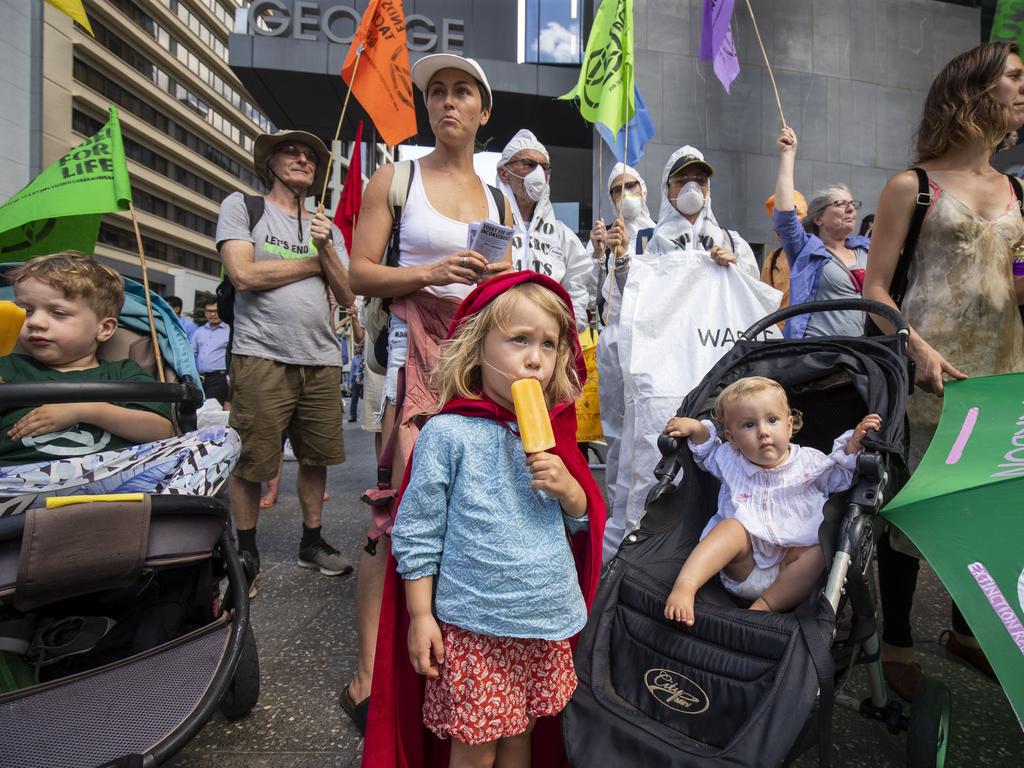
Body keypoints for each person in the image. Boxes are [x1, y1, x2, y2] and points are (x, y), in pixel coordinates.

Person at [366, 271, 605, 768]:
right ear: (477, 348)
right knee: (474, 748)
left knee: (522, 734)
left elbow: (583, 526)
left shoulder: (556, 438)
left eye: (548, 343)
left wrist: (571, 493)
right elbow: (418, 533)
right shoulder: (449, 433)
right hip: (474, 627)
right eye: (519, 340)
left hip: (542, 622)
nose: (535, 357)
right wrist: (421, 616)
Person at [344, 53, 511, 731]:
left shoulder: (498, 198)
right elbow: (357, 274)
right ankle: (364, 673)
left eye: (461, 92)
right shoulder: (397, 177)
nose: (448, 103)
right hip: (412, 364)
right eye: (437, 92)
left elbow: (501, 291)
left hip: (474, 368)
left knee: (464, 513)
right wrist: (427, 273)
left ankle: (440, 659)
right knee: (395, 517)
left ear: (482, 111)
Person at [863, 41, 1024, 701]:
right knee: (907, 519)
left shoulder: (1017, 189)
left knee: (987, 514)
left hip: (1003, 380)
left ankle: (965, 630)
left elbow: (1017, 282)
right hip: (930, 379)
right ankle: (896, 638)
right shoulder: (913, 185)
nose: (1023, 88)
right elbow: (873, 287)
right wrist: (915, 347)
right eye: (1014, 77)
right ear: (973, 90)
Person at [602, 146, 768, 563]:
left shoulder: (732, 241)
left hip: (716, 370)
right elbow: (625, 305)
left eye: (700, 180)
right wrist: (622, 263)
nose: (692, 188)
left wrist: (735, 269)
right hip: (664, 373)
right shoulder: (644, 239)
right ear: (667, 189)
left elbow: (754, 304)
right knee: (652, 463)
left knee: (722, 460)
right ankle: (640, 560)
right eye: (682, 180)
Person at [216, 128, 356, 595]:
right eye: (291, 152)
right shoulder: (244, 206)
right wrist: (313, 263)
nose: (302, 159)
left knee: (317, 457)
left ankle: (311, 541)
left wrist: (328, 250)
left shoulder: (327, 228)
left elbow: (347, 293)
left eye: (311, 156)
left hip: (319, 358)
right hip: (260, 354)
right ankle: (247, 550)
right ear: (270, 163)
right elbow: (243, 274)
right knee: (254, 459)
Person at [0, 253, 238, 515]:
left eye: (57, 313)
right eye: (25, 310)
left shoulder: (124, 372)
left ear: (104, 328)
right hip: (21, 480)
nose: (35, 322)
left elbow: (162, 431)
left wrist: (87, 410)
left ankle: (168, 514)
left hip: (111, 475)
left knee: (222, 438)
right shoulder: (8, 367)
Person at [660, 377, 880, 624]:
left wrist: (853, 445)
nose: (763, 431)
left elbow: (840, 478)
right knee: (731, 528)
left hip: (790, 571)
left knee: (819, 549)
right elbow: (706, 452)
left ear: (789, 426)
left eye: (772, 420)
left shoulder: (809, 462)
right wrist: (697, 429)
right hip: (744, 567)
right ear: (732, 438)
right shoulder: (731, 460)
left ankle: (763, 607)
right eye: (749, 425)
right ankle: (686, 586)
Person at [589, 164, 655, 556]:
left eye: (631, 186)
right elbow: (596, 298)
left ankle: (650, 515)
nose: (625, 193)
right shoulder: (604, 239)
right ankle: (618, 518)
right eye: (617, 189)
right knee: (616, 436)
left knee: (647, 432)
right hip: (614, 347)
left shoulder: (659, 236)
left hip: (648, 343)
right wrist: (600, 254)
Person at [773, 127, 871, 339]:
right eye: (840, 204)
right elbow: (785, 218)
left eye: (852, 204)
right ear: (818, 218)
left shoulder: (868, 250)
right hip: (817, 355)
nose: (851, 209)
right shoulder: (805, 251)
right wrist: (788, 155)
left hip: (865, 354)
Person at [495, 129, 594, 326]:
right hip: (500, 334)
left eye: (544, 167)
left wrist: (570, 325)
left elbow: (579, 281)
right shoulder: (491, 224)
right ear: (505, 173)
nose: (538, 173)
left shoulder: (561, 234)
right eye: (529, 164)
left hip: (546, 339)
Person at [761, 190, 808, 311]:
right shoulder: (773, 258)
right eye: (777, 217)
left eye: (793, 215)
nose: (785, 222)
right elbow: (764, 300)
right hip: (780, 327)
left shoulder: (819, 253)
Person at [190, 299, 230, 407]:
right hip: (201, 378)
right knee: (199, 407)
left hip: (220, 378)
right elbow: (192, 352)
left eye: (216, 311)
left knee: (210, 408)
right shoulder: (199, 331)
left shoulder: (229, 330)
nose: (212, 314)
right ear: (205, 313)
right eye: (209, 311)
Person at [348, 344, 364, 422]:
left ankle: (367, 417)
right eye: (358, 348)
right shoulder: (354, 359)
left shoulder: (365, 358)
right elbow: (351, 371)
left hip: (364, 378)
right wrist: (350, 383)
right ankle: (353, 416)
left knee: (367, 399)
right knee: (354, 399)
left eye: (360, 347)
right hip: (355, 378)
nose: (359, 349)